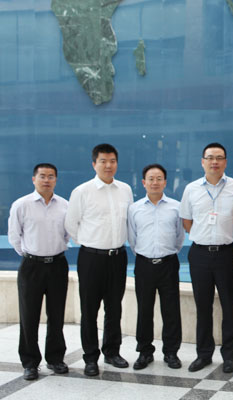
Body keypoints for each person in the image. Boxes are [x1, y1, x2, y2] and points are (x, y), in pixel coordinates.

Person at [64, 143, 133, 376]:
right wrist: (89, 242)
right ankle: (90, 357)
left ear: (117, 163)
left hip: (118, 257)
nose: (108, 165)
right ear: (94, 164)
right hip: (91, 258)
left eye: (112, 161)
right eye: (103, 161)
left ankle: (112, 352)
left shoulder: (125, 190)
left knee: (114, 308)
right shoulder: (82, 191)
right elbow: (71, 225)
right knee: (89, 310)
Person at [179, 142, 233, 373]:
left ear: (225, 162)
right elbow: (187, 221)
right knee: (203, 306)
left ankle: (229, 355)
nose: (214, 162)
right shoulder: (191, 189)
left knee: (229, 306)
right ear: (202, 161)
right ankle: (203, 354)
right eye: (210, 158)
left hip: (228, 254)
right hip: (200, 254)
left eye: (219, 158)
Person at [8, 163, 70, 380]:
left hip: (57, 265)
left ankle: (55, 358)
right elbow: (14, 236)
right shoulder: (21, 205)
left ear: (56, 180)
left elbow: (67, 235)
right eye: (42, 176)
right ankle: (30, 362)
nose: (46, 180)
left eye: (51, 176)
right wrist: (30, 255)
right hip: (31, 266)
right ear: (34, 179)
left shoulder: (64, 205)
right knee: (29, 315)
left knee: (57, 314)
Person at [128, 164, 185, 370]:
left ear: (165, 182)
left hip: (168, 263)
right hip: (144, 264)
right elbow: (133, 238)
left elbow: (179, 237)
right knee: (144, 310)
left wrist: (167, 253)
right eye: (151, 179)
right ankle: (145, 352)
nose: (155, 182)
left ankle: (171, 352)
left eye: (159, 178)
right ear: (144, 182)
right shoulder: (134, 209)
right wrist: (145, 256)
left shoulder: (176, 207)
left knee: (171, 310)